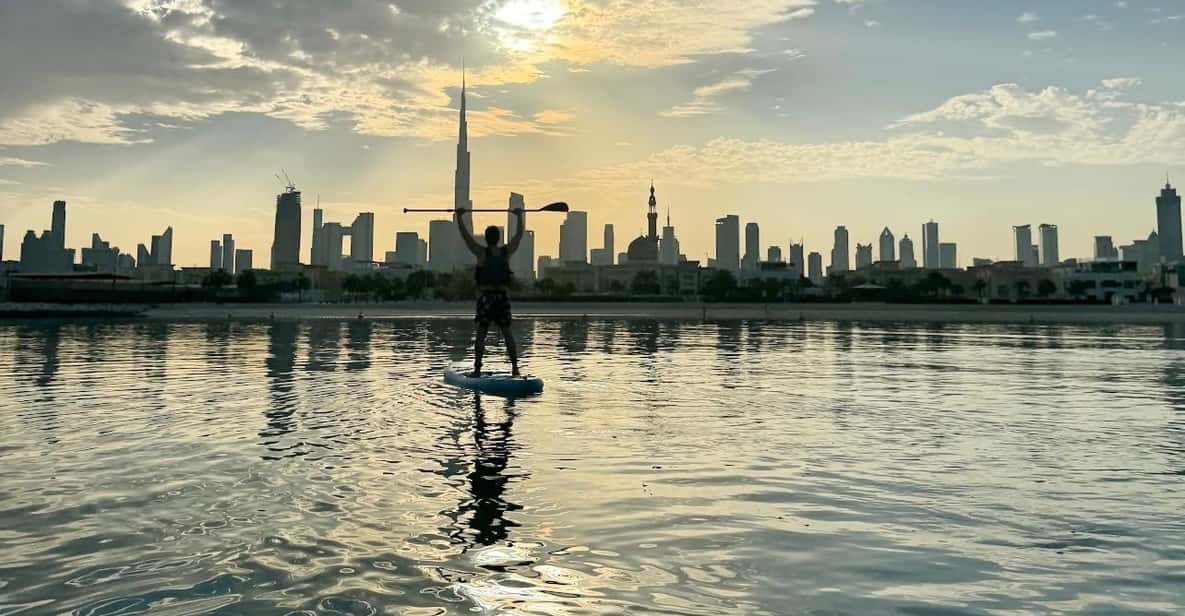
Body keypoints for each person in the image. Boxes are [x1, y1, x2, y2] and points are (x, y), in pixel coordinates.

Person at [456, 207, 524, 377]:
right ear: (498, 238)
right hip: (502, 298)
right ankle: (515, 368)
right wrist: (519, 217)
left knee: (481, 333)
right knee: (507, 332)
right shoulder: (506, 252)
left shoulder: (481, 252)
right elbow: (519, 236)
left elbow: (466, 237)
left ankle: (477, 369)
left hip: (486, 298)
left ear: (486, 239)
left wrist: (459, 217)